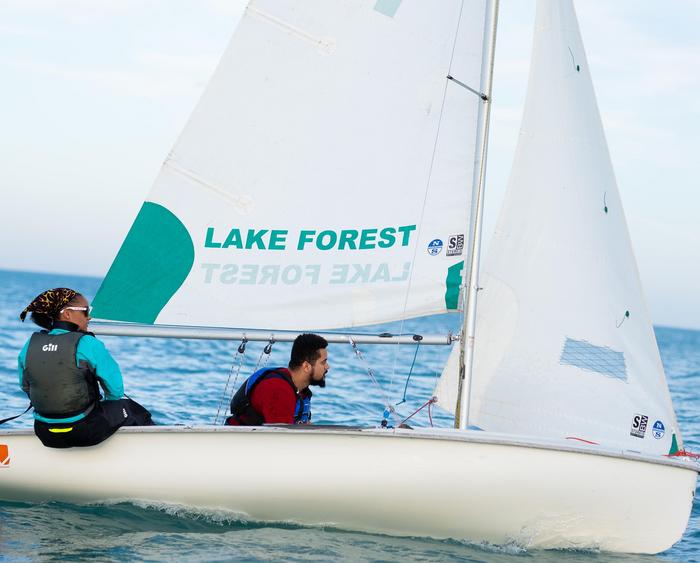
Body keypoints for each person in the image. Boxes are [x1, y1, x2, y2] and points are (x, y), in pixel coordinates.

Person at [18, 287, 153, 448]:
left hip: (44, 433)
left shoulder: (29, 346)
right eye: (85, 311)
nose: (89, 317)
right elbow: (116, 391)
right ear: (67, 313)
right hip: (86, 431)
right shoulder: (88, 343)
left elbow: (26, 386)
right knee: (132, 410)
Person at [225, 333, 329, 425]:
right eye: (323, 362)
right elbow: (280, 440)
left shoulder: (299, 389)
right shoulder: (278, 390)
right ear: (306, 366)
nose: (327, 367)